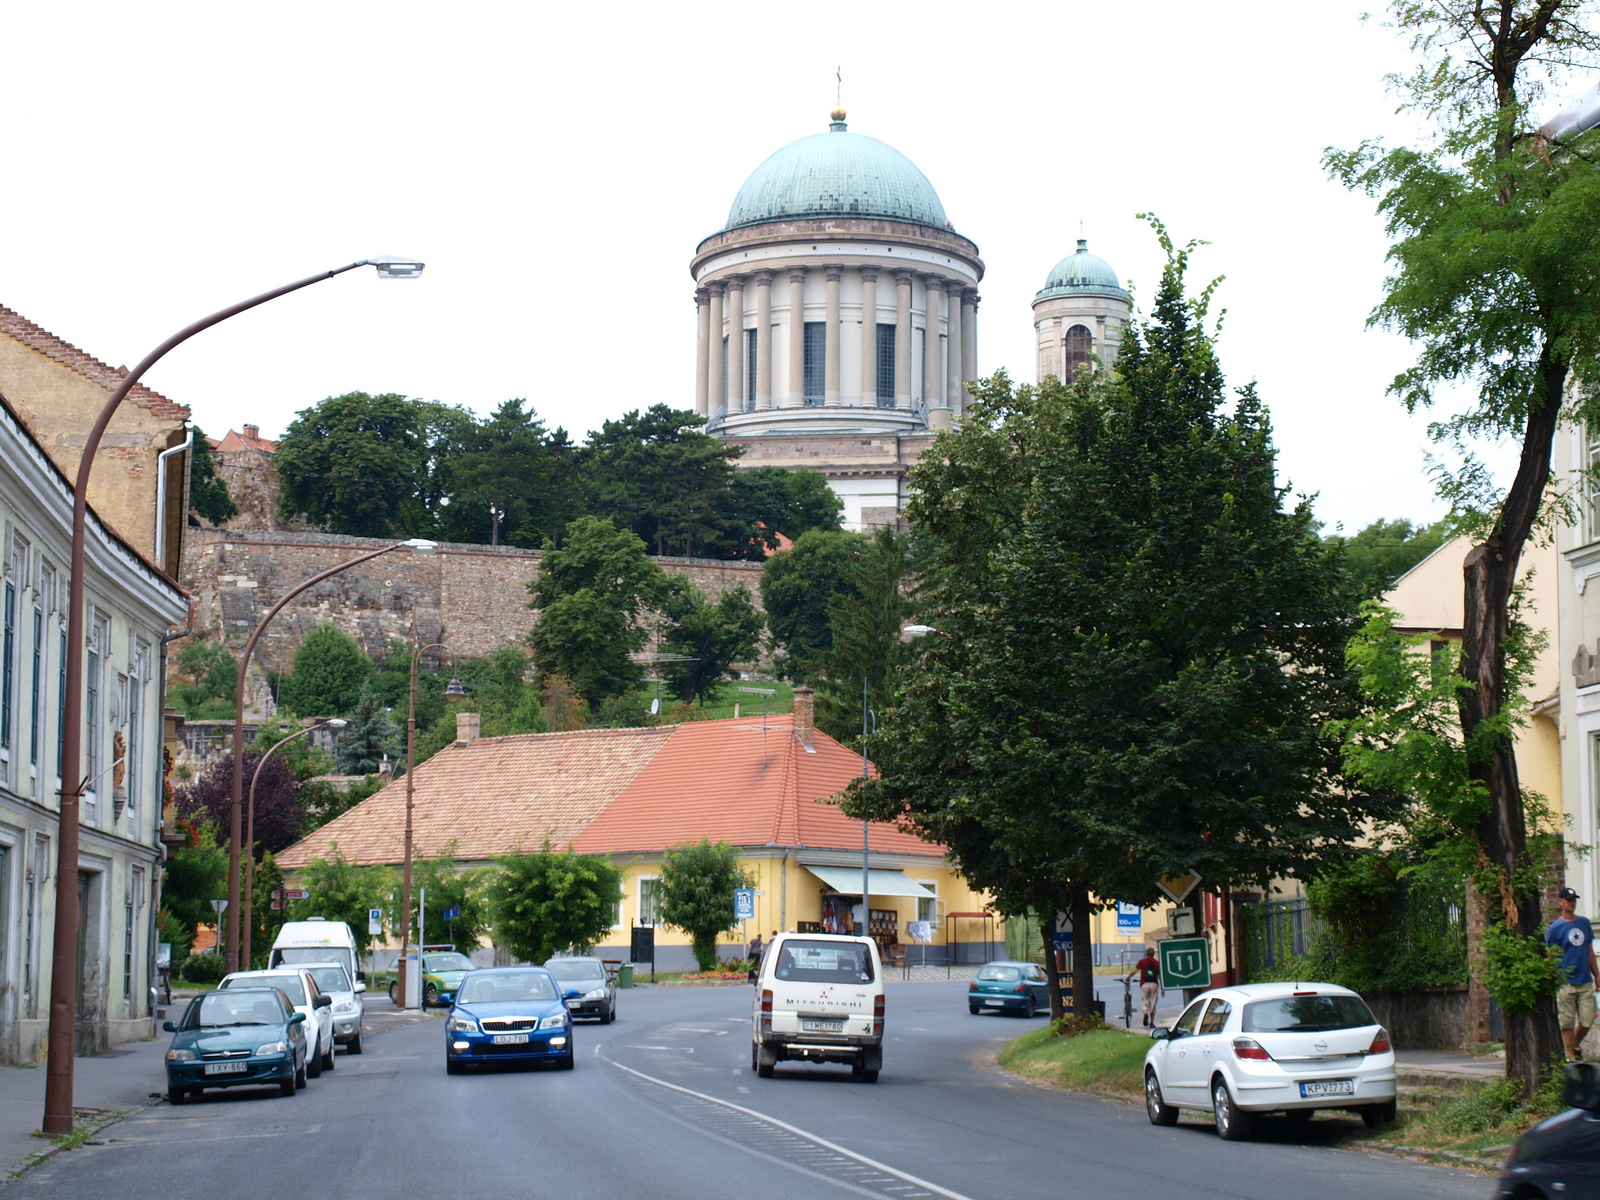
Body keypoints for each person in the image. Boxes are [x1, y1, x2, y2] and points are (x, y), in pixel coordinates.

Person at [1547, 886, 1600, 1062]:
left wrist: (1597, 975)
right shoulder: (1555, 927)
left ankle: (1574, 1045)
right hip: (1565, 981)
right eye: (1568, 900)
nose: (1572, 903)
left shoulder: (1584, 923)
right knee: (1567, 1021)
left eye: (1574, 900)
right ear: (1561, 902)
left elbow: (1589, 950)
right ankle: (1571, 1058)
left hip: (1584, 979)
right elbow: (1550, 955)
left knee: (1587, 1019)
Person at [1125, 945, 1163, 1028]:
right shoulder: (1157, 963)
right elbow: (1160, 976)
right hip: (1154, 984)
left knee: (1145, 1000)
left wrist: (1128, 977)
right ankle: (1152, 1022)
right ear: (1153, 954)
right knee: (1153, 1002)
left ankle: (1145, 1013)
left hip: (1144, 984)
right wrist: (1163, 989)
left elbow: (1134, 971)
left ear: (1146, 953)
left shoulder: (1142, 962)